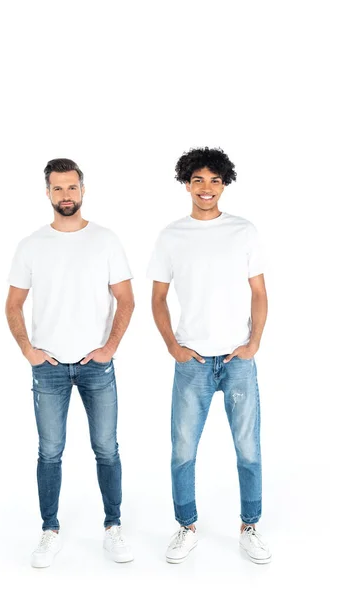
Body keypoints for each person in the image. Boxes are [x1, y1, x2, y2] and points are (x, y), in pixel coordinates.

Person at [5, 158, 135, 567]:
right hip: (49, 367)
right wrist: (28, 349)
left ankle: (113, 527)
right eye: (58, 188)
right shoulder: (31, 245)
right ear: (47, 193)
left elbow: (126, 299)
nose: (66, 195)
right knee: (50, 451)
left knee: (106, 448)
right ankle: (50, 530)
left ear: (83, 190)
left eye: (72, 187)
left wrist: (110, 346)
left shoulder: (106, 240)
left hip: (96, 365)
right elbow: (13, 305)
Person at [147, 147, 271, 565]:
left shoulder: (244, 231)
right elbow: (158, 298)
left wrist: (253, 344)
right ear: (186, 183)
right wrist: (173, 347)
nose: (206, 188)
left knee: (248, 448)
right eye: (198, 179)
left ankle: (249, 526)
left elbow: (259, 292)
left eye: (215, 180)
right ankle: (186, 526)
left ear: (225, 184)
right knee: (183, 449)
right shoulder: (171, 236)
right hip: (193, 362)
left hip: (237, 360)